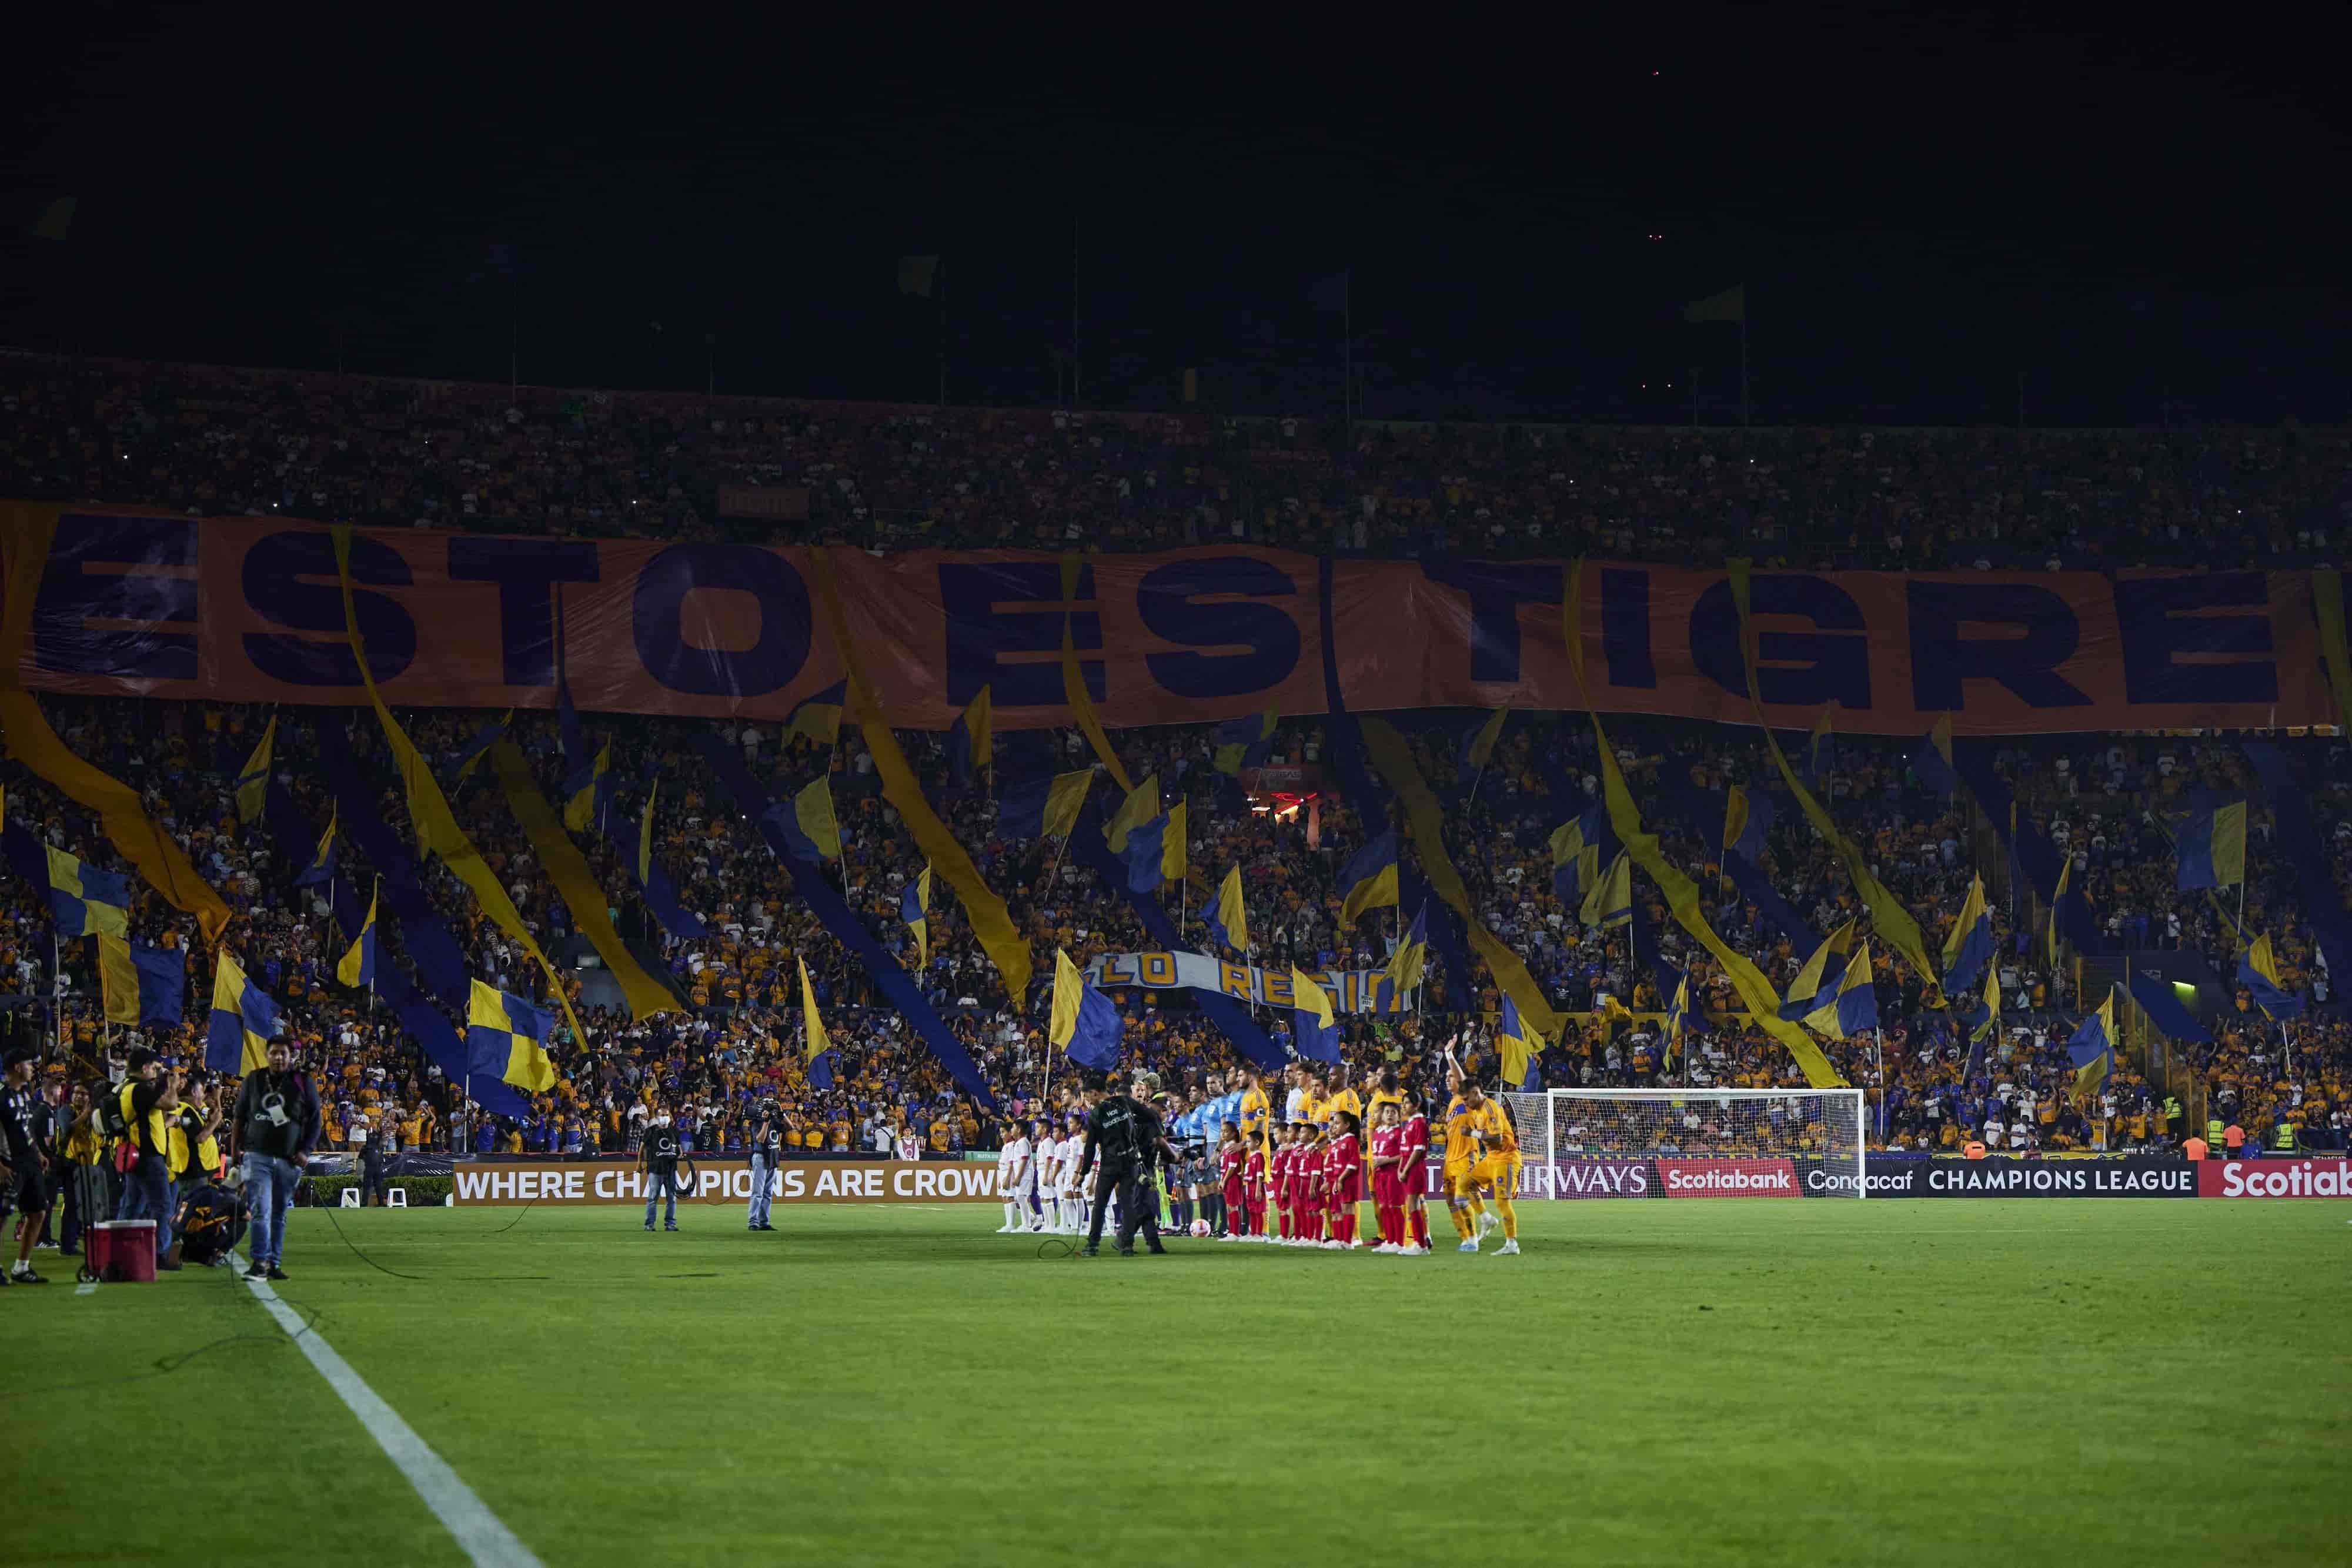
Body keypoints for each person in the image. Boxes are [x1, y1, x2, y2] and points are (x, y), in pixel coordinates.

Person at [232, 1037, 319, 1282]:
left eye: (283, 1053)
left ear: (291, 1057)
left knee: (279, 1213)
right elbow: (239, 1117)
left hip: (288, 1160)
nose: (278, 1057)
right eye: (274, 1053)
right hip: (257, 1156)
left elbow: (316, 1119)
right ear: (267, 1054)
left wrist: (306, 1151)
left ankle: (274, 1263)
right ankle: (259, 1263)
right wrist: (234, 1151)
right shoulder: (254, 1079)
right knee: (261, 1209)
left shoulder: (303, 1081)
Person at [1079, 1072, 1178, 1257]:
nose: (1087, 1101)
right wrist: (1135, 1128)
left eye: (1087, 1096)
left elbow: (1090, 1147)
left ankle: (1092, 1246)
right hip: (1131, 1161)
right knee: (1129, 1204)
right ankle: (1127, 1247)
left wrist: (1083, 1173)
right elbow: (1151, 1115)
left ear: (1094, 1093)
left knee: (1100, 1204)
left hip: (1110, 1163)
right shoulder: (1125, 1102)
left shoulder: (1096, 1115)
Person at [114, 1049, 181, 1271]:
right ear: (144, 1068)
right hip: (148, 1157)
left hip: (135, 1155)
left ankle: (118, 1251)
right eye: (153, 1067)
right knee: (163, 1206)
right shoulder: (140, 1089)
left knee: (132, 1206)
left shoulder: (126, 1087)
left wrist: (162, 1081)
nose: (155, 1072)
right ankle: (159, 1255)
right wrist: (172, 1085)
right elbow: (171, 1105)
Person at [2, 1051, 50, 1285]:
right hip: (9, 1163)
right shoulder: (2, 1096)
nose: (32, 1068)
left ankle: (21, 1267)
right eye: (29, 1064)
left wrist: (38, 1153)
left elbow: (26, 1129)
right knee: (2, 1216)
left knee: (38, 1212)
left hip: (30, 1162)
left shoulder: (24, 1095)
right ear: (17, 1067)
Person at [1322, 1109, 1362, 1249]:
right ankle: (1339, 1239)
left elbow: (1354, 1162)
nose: (1335, 1127)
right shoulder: (1340, 1142)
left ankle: (1347, 1241)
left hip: (1347, 1179)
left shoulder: (1351, 1140)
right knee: (1339, 1210)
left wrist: (1340, 1179)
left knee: (1347, 1208)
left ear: (1347, 1125)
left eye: (1337, 1123)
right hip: (1338, 1179)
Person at [1369, 1101, 1406, 1252]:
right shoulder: (1378, 1132)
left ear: (1399, 1116)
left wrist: (1387, 1161)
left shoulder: (1400, 1133)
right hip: (1379, 1174)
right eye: (1387, 1112)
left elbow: (1405, 1155)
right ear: (1383, 1115)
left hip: (1392, 1173)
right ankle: (1389, 1241)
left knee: (1394, 1207)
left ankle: (1399, 1242)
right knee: (1383, 1207)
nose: (1390, 1115)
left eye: (1393, 1112)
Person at [642, 1106, 683, 1231]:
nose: (665, 1117)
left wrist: (680, 1155)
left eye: (666, 1115)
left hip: (671, 1169)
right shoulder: (651, 1131)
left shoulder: (674, 1131)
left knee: (672, 1198)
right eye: (662, 1115)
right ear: (657, 1117)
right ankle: (649, 1224)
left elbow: (679, 1149)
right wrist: (639, 1164)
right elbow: (642, 1148)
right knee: (653, 1197)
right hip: (655, 1169)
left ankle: (670, 1224)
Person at [747, 1100, 781, 1232]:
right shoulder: (756, 1123)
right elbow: (760, 1139)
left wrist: (782, 1113)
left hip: (772, 1156)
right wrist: (766, 1123)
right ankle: (753, 1222)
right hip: (760, 1156)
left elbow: (790, 1127)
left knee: (767, 1192)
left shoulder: (775, 1122)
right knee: (758, 1192)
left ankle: (764, 1222)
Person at [995, 1119, 1032, 1233]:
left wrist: (1009, 1178)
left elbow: (1014, 1162)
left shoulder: (1015, 1144)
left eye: (1003, 1132)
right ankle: (1027, 1220)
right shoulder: (1008, 1145)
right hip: (1006, 1173)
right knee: (1010, 1198)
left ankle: (1015, 1224)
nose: (1001, 1135)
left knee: (1013, 1198)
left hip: (1013, 1174)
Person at [1217, 1121, 1248, 1240]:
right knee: (1229, 1206)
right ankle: (1232, 1232)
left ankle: (1235, 1233)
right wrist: (1222, 1180)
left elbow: (1232, 1167)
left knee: (1233, 1206)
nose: (1223, 1134)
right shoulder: (1226, 1147)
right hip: (1227, 1179)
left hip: (1232, 1180)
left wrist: (1224, 1180)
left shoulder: (1233, 1147)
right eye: (1222, 1131)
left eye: (1226, 1131)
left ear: (1234, 1133)